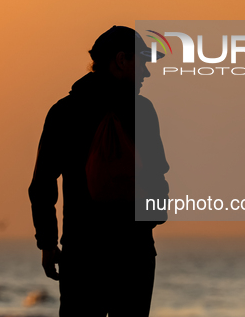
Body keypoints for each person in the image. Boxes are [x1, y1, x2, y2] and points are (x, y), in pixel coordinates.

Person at [28, 25, 169, 317]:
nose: (147, 73)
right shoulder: (143, 112)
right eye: (142, 63)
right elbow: (157, 182)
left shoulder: (64, 111)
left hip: (82, 253)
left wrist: (48, 242)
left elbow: (42, 184)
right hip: (134, 254)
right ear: (121, 60)